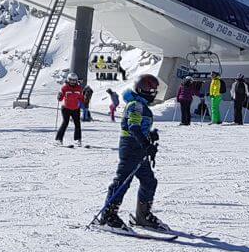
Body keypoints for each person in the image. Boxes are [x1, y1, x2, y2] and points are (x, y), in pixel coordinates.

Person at [94, 74, 167, 232]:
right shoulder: (135, 104)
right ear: (142, 90)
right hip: (131, 146)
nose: (153, 93)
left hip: (139, 146)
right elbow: (133, 127)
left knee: (149, 181)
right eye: (151, 90)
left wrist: (150, 135)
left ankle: (142, 216)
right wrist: (145, 142)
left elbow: (141, 126)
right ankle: (108, 216)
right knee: (123, 180)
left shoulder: (141, 104)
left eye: (155, 90)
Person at [56, 76, 86, 146]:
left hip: (75, 108)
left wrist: (85, 100)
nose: (72, 82)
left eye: (74, 80)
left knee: (77, 124)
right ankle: (59, 139)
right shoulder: (65, 88)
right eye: (71, 80)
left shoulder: (79, 88)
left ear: (76, 81)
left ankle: (78, 140)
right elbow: (60, 98)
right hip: (66, 108)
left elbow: (81, 98)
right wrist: (59, 96)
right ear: (68, 80)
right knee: (65, 123)